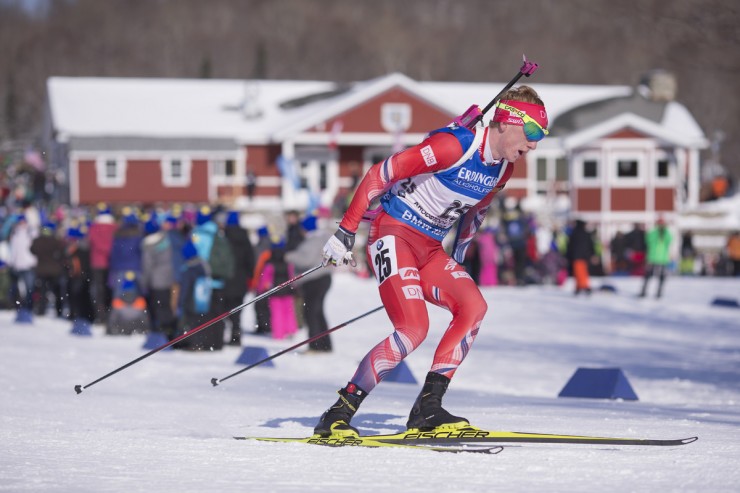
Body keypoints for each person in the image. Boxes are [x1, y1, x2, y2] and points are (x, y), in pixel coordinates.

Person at [314, 85, 549, 437]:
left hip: (430, 248)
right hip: (393, 234)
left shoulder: (502, 171)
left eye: (541, 137)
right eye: (531, 132)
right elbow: (382, 172)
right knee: (413, 330)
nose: (533, 144)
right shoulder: (455, 146)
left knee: (473, 306)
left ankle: (428, 407)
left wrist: (458, 257)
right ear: (507, 121)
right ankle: (339, 412)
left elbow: (476, 213)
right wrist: (346, 230)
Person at [286, 214, 333, 352]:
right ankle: (325, 345)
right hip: (323, 278)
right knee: (318, 312)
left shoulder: (313, 240)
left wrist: (288, 256)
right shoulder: (323, 238)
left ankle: (316, 346)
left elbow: (306, 259)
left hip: (314, 280)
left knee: (311, 313)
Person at [221, 211, 255, 345]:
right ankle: (236, 335)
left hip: (227, 279)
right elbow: (250, 259)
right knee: (237, 309)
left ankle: (223, 333)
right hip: (241, 280)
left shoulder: (225, 238)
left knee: (224, 308)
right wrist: (249, 275)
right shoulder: (245, 239)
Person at [30, 221, 66, 317]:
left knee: (42, 291)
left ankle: (41, 310)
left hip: (41, 270)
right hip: (55, 270)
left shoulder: (37, 241)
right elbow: (62, 254)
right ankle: (59, 311)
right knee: (56, 292)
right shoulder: (56, 241)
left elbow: (32, 250)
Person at [639, 217, 673, 298]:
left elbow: (670, 240)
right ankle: (644, 292)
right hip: (654, 258)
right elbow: (648, 241)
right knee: (648, 275)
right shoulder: (654, 233)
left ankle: (658, 292)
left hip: (661, 258)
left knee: (660, 276)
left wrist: (664, 231)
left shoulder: (665, 233)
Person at [566, 219, 595, 295]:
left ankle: (580, 286)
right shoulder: (586, 234)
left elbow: (570, 246)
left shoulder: (573, 234)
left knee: (578, 272)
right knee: (584, 272)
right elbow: (591, 245)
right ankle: (583, 286)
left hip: (576, 257)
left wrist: (568, 256)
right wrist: (592, 254)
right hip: (585, 257)